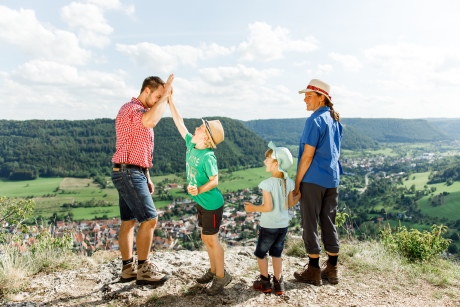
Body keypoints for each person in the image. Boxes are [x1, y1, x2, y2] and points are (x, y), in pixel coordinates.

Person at [111, 74, 174, 286]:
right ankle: (144, 269)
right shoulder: (132, 109)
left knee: (128, 222)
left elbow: (141, 148)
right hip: (128, 172)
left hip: (131, 171)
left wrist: (147, 175)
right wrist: (166, 96)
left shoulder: (141, 111)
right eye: (156, 96)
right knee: (150, 219)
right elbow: (152, 120)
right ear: (146, 90)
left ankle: (128, 269)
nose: (157, 101)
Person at [167, 94, 232, 296]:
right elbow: (180, 123)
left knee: (213, 240)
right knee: (206, 237)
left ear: (206, 138)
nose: (196, 128)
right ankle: (213, 271)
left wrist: (199, 190)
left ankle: (222, 277)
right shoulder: (192, 144)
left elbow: (215, 181)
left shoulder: (208, 156)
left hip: (211, 203)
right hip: (202, 203)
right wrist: (171, 102)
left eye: (201, 128)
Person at [293, 79, 343, 286]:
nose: (305, 99)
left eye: (309, 95)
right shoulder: (335, 119)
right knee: (328, 222)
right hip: (332, 179)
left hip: (312, 179)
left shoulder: (314, 120)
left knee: (310, 223)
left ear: (322, 97)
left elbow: (307, 156)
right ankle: (332, 269)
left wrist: (297, 183)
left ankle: (313, 270)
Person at [244, 141, 301, 295]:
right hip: (283, 226)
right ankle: (279, 283)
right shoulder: (288, 182)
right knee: (277, 254)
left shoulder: (266, 184)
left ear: (276, 164)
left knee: (261, 254)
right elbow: (290, 203)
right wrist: (299, 196)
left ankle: (265, 282)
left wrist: (252, 208)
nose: (264, 161)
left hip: (268, 226)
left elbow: (268, 207)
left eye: (268, 159)